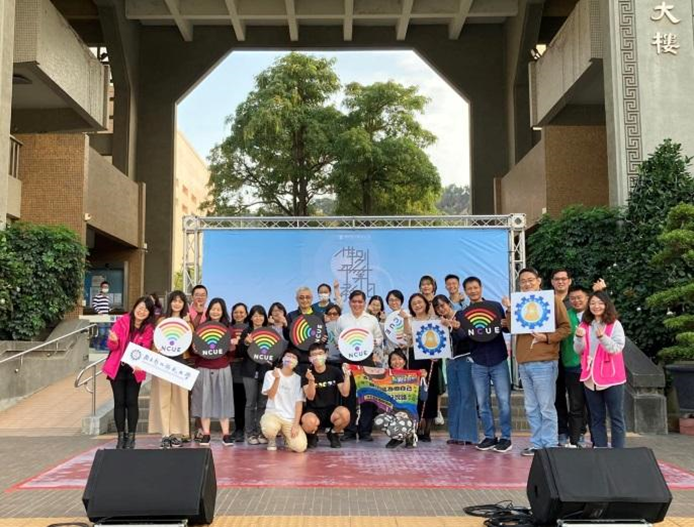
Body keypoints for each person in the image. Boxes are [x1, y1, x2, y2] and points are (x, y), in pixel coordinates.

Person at [503, 267, 570, 456]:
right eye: (523, 281)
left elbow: (566, 328)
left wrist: (546, 337)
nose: (526, 284)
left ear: (538, 281)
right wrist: (509, 309)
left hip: (545, 361)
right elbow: (511, 327)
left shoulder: (552, 300)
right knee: (531, 406)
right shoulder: (519, 302)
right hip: (524, 362)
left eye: (530, 280)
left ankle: (549, 444)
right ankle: (537, 443)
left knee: (546, 405)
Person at [461, 277, 513, 453]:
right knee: (483, 403)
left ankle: (506, 437)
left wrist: (506, 320)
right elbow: (462, 338)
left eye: (476, 287)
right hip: (478, 362)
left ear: (481, 288)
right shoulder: (464, 313)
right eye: (469, 289)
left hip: (498, 359)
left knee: (504, 401)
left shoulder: (494, 306)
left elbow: (506, 329)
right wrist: (455, 328)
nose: (473, 291)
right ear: (466, 291)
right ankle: (489, 436)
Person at [574, 291, 627, 448]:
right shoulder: (584, 325)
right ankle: (600, 448)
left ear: (606, 305)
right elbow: (579, 350)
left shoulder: (615, 324)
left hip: (612, 377)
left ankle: (619, 452)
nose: (596, 306)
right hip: (590, 377)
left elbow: (617, 348)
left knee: (616, 416)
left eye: (600, 303)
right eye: (592, 303)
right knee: (596, 417)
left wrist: (602, 337)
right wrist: (578, 337)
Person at [103, 296, 156, 449]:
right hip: (118, 367)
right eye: (140, 308)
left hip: (135, 369)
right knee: (119, 402)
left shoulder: (148, 329)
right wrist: (113, 340)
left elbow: (145, 348)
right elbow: (112, 347)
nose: (142, 311)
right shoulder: (122, 321)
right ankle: (121, 437)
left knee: (132, 402)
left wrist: (139, 363)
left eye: (145, 310)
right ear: (134, 307)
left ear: (149, 313)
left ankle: (131, 437)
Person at [336, 290, 384, 441]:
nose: (357, 304)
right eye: (354, 301)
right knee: (348, 396)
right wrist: (339, 344)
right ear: (349, 302)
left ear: (365, 303)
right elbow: (338, 337)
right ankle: (349, 430)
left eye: (360, 301)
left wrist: (375, 342)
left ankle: (365, 431)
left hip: (367, 360)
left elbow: (379, 338)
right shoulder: (342, 319)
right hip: (347, 361)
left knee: (367, 396)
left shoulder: (371, 320)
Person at [433, 294, 478, 446]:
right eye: (437, 307)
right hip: (450, 361)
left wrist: (451, 326)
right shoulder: (439, 323)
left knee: (467, 396)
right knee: (454, 397)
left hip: (465, 358)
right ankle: (455, 434)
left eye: (442, 305)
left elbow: (465, 336)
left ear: (449, 304)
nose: (441, 309)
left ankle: (469, 436)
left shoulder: (461, 315)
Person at [149, 291, 192, 449]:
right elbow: (156, 343)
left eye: (180, 301)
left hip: (180, 364)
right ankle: (165, 434)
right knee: (163, 399)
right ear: (170, 302)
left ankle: (177, 433)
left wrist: (190, 326)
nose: (177, 304)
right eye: (174, 301)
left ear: (184, 304)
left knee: (179, 400)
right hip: (163, 364)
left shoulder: (188, 321)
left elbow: (193, 345)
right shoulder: (162, 320)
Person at [191, 298, 235, 447]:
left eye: (219, 309)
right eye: (213, 309)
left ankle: (226, 434)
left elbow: (233, 352)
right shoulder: (202, 327)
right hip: (204, 367)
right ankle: (206, 434)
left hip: (223, 368)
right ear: (208, 311)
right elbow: (194, 350)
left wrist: (232, 346)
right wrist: (195, 349)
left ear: (223, 312)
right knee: (204, 400)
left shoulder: (228, 329)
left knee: (224, 400)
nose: (215, 312)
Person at [405, 293, 442, 443]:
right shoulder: (411, 320)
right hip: (415, 359)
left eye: (420, 302)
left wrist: (437, 355)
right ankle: (416, 427)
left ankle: (427, 430)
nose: (417, 305)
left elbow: (441, 340)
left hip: (431, 358)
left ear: (426, 303)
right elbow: (408, 335)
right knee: (416, 394)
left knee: (430, 394)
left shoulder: (434, 320)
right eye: (414, 303)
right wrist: (406, 318)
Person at [301, 343, 351, 449]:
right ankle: (312, 435)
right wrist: (311, 381)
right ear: (310, 358)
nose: (317, 357)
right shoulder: (307, 374)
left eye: (320, 353)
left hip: (332, 411)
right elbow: (310, 397)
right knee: (308, 422)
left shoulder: (335, 371)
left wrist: (347, 376)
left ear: (326, 354)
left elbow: (345, 393)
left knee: (345, 414)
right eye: (314, 355)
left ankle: (333, 434)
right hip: (314, 410)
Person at [260, 350, 308, 452]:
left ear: (297, 362)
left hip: (289, 418)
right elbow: (271, 395)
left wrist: (295, 425)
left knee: (300, 447)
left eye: (293, 357)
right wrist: (277, 379)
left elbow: (299, 404)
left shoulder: (298, 379)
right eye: (288, 356)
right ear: (282, 358)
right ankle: (271, 439)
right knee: (270, 428)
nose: (290, 359)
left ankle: (286, 437)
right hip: (274, 414)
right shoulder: (270, 374)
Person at [238, 305, 271, 445]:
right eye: (255, 315)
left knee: (263, 403)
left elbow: (275, 352)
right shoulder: (246, 332)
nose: (258, 318)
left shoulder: (270, 332)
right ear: (250, 317)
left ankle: (262, 432)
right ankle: (250, 434)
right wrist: (246, 343)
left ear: (265, 317)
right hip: (249, 371)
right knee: (250, 403)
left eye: (261, 315)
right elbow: (239, 353)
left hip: (265, 371)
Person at [563, 285, 591, 447]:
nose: (576, 301)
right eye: (573, 298)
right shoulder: (566, 316)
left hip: (594, 368)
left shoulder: (595, 315)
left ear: (587, 298)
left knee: (594, 405)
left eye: (579, 297)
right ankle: (575, 440)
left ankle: (597, 440)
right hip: (573, 365)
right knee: (575, 405)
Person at [550, 268, 573, 446]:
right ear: (551, 282)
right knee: (557, 397)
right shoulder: (545, 301)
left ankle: (578, 432)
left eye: (564, 279)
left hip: (574, 357)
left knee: (576, 398)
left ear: (569, 281)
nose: (560, 282)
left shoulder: (576, 300)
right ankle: (562, 431)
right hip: (552, 357)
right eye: (557, 279)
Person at [383, 349, 418, 449]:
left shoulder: (412, 376)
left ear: (405, 361)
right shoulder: (386, 377)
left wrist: (422, 378)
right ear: (389, 362)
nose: (397, 362)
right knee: (379, 420)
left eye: (399, 359)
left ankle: (409, 436)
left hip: (408, 414)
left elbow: (424, 396)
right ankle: (397, 437)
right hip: (393, 411)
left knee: (403, 418)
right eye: (393, 359)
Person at [229, 302, 249, 442]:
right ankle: (239, 429)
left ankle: (252, 429)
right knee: (238, 401)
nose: (239, 314)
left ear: (246, 314)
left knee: (249, 401)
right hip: (233, 369)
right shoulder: (227, 328)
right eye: (236, 312)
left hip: (248, 367)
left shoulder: (251, 329)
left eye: (241, 312)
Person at [92, 281, 111, 351]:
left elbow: (107, 306)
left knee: (107, 333)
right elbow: (94, 305)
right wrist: (98, 311)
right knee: (101, 332)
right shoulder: (97, 296)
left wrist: (109, 309)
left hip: (107, 317)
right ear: (101, 288)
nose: (105, 288)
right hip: (100, 317)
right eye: (104, 287)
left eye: (107, 287)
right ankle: (96, 344)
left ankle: (103, 346)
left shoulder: (107, 297)